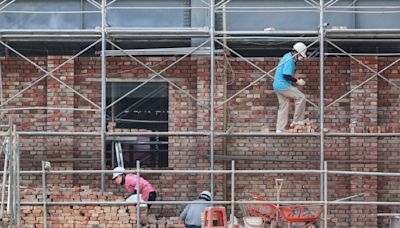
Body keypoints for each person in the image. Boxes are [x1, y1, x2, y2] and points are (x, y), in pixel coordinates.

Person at [273, 42, 308, 133]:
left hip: (277, 85)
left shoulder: (287, 55)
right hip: (282, 85)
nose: (301, 57)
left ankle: (279, 129)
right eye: (300, 55)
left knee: (283, 107)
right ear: (296, 52)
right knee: (301, 97)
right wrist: (297, 81)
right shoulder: (290, 59)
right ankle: (297, 121)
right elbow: (286, 75)